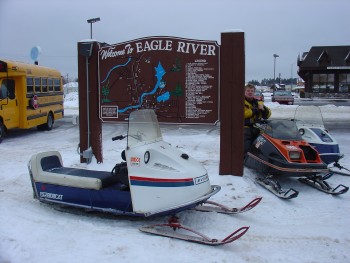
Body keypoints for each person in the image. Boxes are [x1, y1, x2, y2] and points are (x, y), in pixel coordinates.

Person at [244, 84, 271, 155]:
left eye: (252, 91)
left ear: (254, 92)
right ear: (244, 92)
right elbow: (244, 113)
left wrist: (263, 109)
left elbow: (268, 114)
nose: (250, 92)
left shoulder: (258, 102)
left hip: (258, 128)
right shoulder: (241, 102)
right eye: (248, 91)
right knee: (246, 146)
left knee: (261, 144)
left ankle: (259, 156)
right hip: (245, 128)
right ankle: (245, 157)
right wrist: (255, 110)